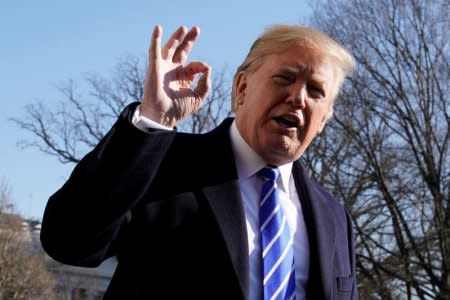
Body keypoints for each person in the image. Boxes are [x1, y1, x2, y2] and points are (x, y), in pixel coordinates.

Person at [41, 24, 358, 300]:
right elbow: (69, 241)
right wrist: (152, 121)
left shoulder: (335, 218)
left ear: (325, 118)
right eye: (284, 78)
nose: (298, 97)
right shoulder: (163, 162)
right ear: (242, 88)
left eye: (316, 91)